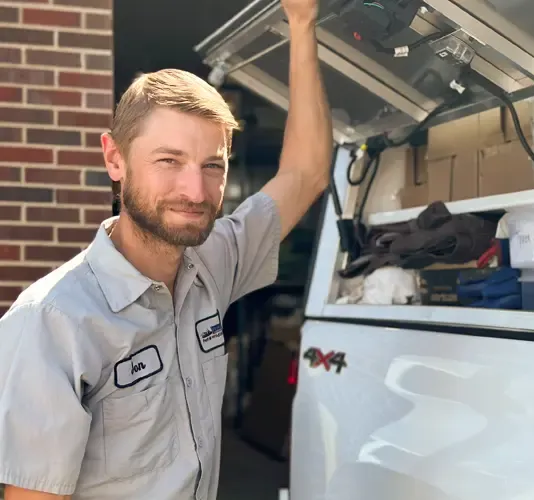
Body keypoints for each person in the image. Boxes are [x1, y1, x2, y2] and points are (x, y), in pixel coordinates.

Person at [0, 0, 331, 496]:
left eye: (212, 166)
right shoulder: (51, 323)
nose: (195, 193)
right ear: (115, 158)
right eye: (169, 160)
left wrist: (302, 23)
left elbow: (304, 174)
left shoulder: (213, 261)